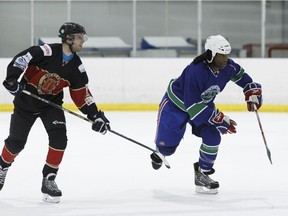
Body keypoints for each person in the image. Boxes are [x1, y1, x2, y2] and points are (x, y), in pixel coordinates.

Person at [0, 22, 110, 203]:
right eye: (80, 37)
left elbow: (81, 94)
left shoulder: (77, 67)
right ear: (68, 38)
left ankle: (49, 179)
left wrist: (95, 115)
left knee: (60, 139)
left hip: (51, 105)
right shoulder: (46, 52)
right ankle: (2, 166)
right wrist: (13, 79)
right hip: (26, 103)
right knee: (16, 143)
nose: (83, 41)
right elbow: (22, 59)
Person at [150, 35, 262, 194]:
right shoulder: (195, 71)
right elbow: (193, 106)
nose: (225, 59)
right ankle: (160, 150)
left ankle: (202, 174)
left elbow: (241, 76)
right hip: (176, 106)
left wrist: (251, 88)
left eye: (227, 55)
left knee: (213, 137)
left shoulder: (227, 66)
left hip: (200, 106)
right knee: (167, 149)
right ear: (211, 55)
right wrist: (218, 118)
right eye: (221, 55)